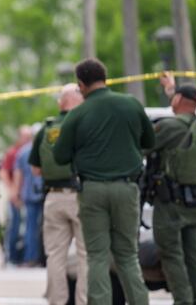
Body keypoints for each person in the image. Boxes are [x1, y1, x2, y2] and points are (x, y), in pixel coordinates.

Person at [53, 58, 154, 305]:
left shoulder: (77, 115)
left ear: (81, 85)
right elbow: (149, 142)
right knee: (128, 256)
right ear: (105, 78)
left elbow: (60, 156)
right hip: (127, 188)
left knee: (97, 256)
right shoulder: (131, 104)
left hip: (93, 190)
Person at [146, 81, 196, 305]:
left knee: (172, 256)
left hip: (170, 204)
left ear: (177, 100)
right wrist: (172, 90)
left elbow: (142, 146)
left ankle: (183, 301)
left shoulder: (169, 126)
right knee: (194, 256)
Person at [29, 83, 87, 305]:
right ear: (79, 100)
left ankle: (57, 301)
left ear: (60, 103)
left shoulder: (46, 129)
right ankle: (83, 301)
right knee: (85, 255)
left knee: (55, 256)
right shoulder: (83, 125)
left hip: (52, 197)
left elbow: (35, 168)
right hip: (80, 195)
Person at [0, 126, 32, 265]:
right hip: (16, 195)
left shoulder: (30, 151)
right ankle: (11, 256)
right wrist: (13, 191)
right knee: (14, 225)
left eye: (29, 137)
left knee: (26, 228)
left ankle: (22, 256)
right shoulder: (13, 153)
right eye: (25, 137)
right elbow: (4, 172)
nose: (27, 139)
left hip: (28, 194)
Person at [12, 132, 44, 267]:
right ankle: (42, 257)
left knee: (29, 227)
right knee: (45, 227)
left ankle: (30, 258)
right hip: (44, 192)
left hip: (29, 194)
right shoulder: (44, 149)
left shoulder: (22, 152)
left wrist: (16, 193)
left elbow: (18, 175)